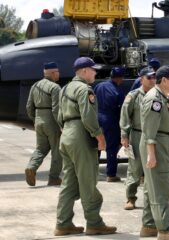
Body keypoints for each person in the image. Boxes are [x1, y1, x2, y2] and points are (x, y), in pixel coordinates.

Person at [54, 57, 116, 236]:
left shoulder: (65, 89)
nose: (96, 73)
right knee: (88, 181)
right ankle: (94, 223)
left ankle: (63, 223)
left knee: (69, 183)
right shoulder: (84, 89)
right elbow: (88, 117)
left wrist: (68, 132)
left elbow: (58, 115)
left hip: (67, 135)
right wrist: (100, 137)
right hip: (81, 134)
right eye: (93, 70)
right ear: (83, 71)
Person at [139, 65, 169, 240]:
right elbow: (149, 128)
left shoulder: (162, 97)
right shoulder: (155, 100)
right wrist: (151, 153)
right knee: (160, 188)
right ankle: (165, 230)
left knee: (152, 187)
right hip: (156, 144)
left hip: (161, 143)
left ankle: (149, 226)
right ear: (164, 80)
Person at [120, 67, 156, 210]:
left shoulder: (159, 95)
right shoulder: (133, 95)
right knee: (135, 168)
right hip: (137, 134)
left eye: (154, 77)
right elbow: (125, 116)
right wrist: (124, 135)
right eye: (149, 77)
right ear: (141, 79)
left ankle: (151, 199)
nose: (153, 80)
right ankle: (130, 198)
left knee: (153, 168)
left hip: (154, 136)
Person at [25, 62, 62, 186]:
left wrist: (35, 119)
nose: (59, 74)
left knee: (41, 148)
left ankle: (31, 167)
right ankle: (53, 178)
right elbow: (56, 109)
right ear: (52, 73)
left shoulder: (35, 86)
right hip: (52, 122)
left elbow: (29, 107)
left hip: (39, 120)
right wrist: (62, 125)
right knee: (57, 151)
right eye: (57, 72)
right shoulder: (55, 87)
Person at [94, 67, 125, 182]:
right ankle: (111, 174)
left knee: (97, 144)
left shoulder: (99, 86)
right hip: (110, 119)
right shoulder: (118, 91)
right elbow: (122, 109)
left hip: (97, 118)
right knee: (111, 147)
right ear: (120, 78)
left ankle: (93, 171)